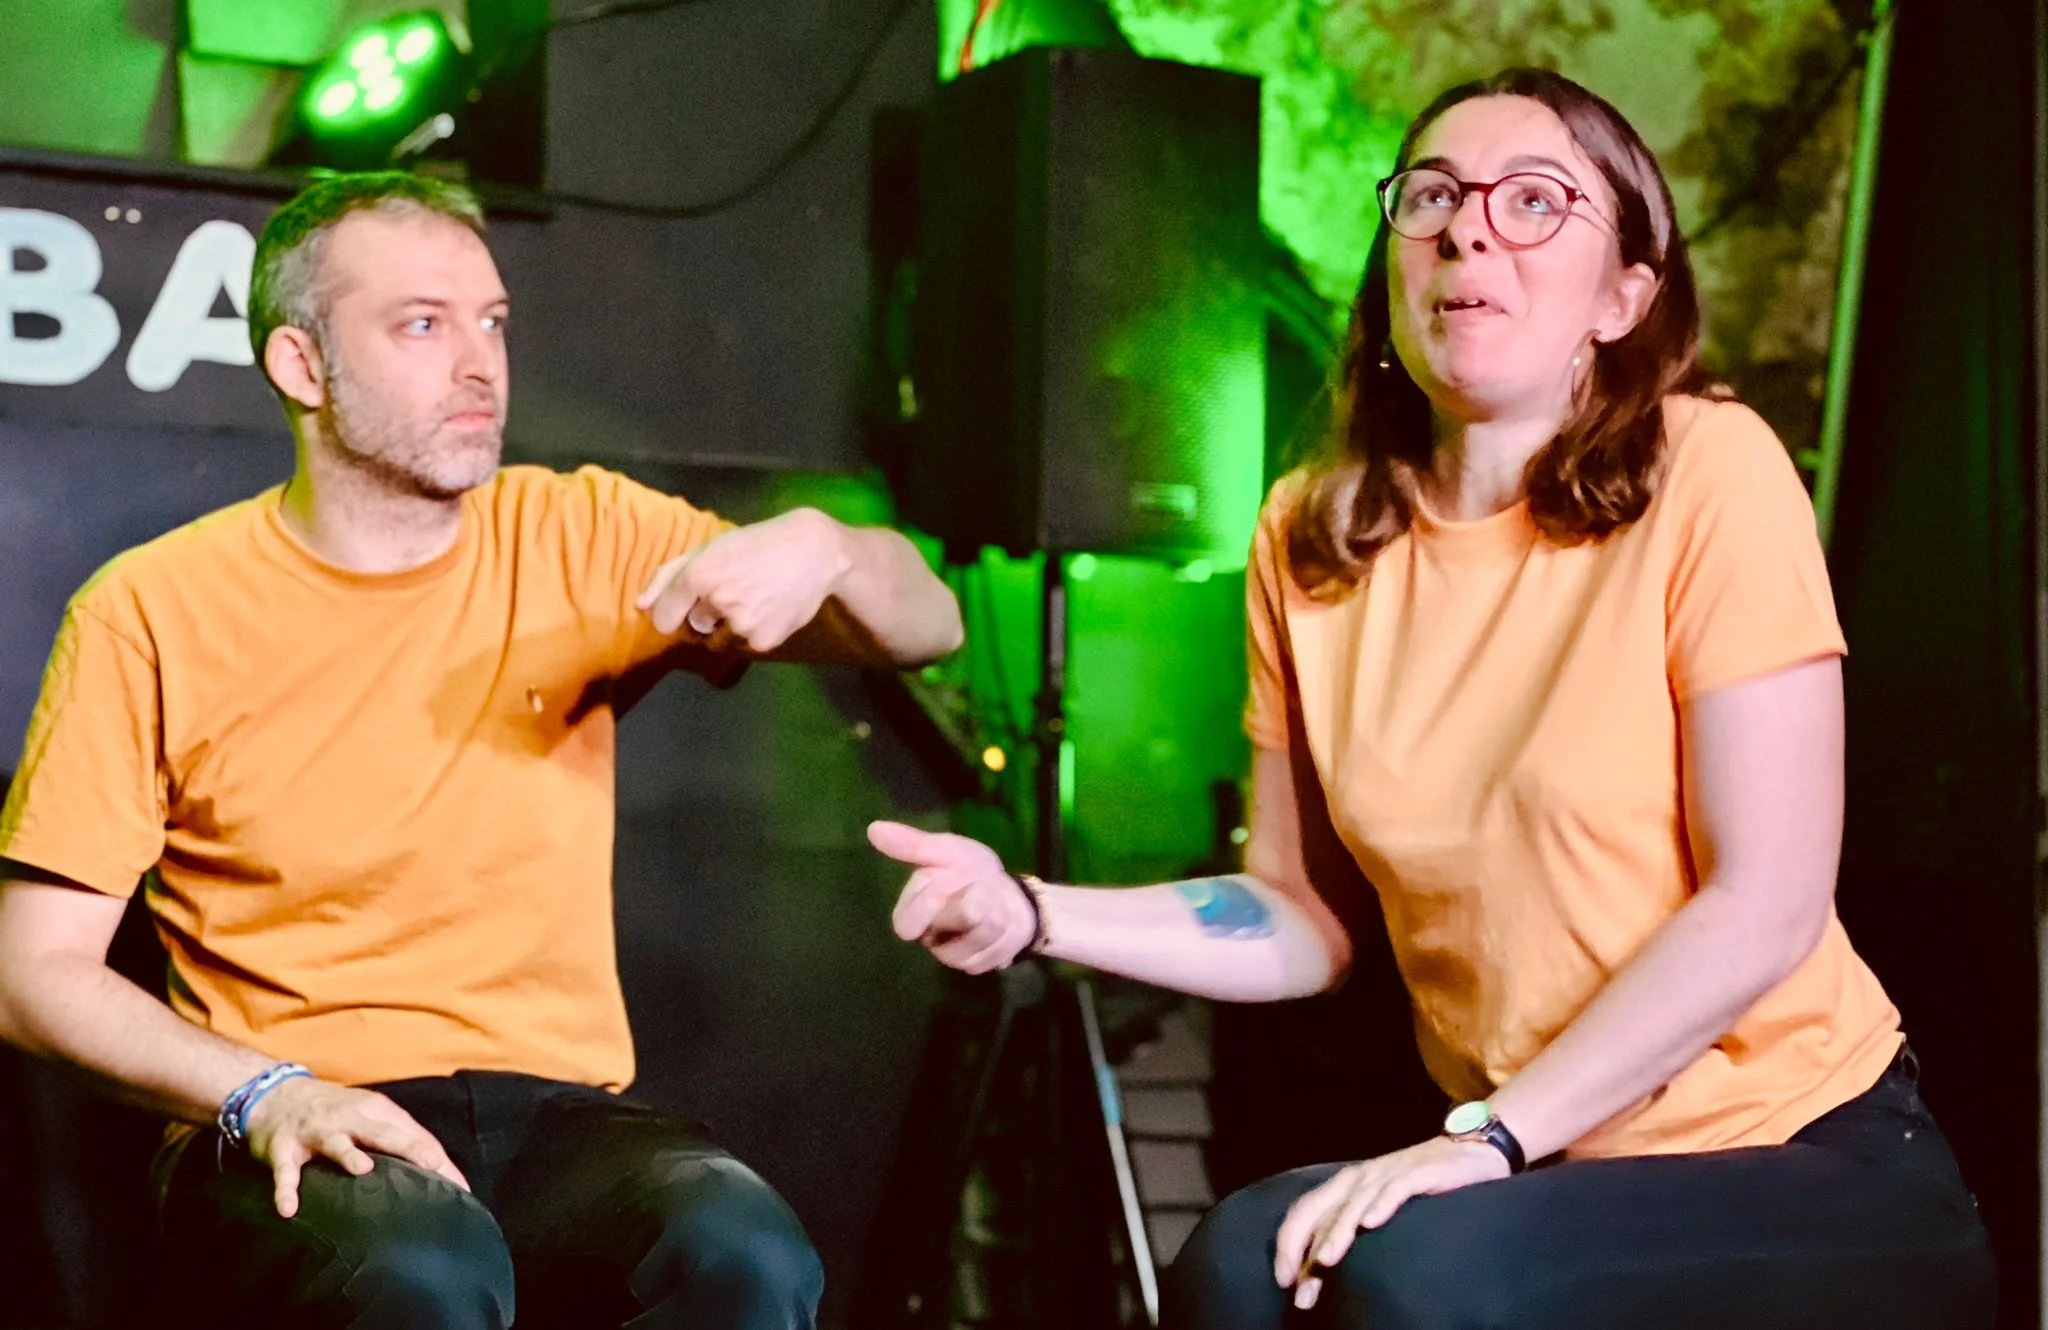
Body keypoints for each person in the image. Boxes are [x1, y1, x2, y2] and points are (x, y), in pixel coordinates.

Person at [866, 68, 1996, 1329]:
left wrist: (1490, 1139)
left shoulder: (1708, 473)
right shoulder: (1310, 536)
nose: (1467, 227)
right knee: (1239, 1264)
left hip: (1799, 1153)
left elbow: (1766, 902)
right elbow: (1296, 911)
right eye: (1432, 198)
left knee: (1413, 1281)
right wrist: (1031, 911)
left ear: (1621, 297)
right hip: (1535, 1167)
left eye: (1533, 201)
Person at [0, 171, 962, 1330]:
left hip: (558, 1116)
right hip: (298, 1116)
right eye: (420, 324)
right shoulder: (152, 607)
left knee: (738, 1249)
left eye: (491, 322)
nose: (478, 363)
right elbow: (32, 973)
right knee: (420, 1273)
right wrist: (263, 1093)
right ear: (302, 367)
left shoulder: (581, 533)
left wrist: (828, 545)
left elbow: (930, 623)